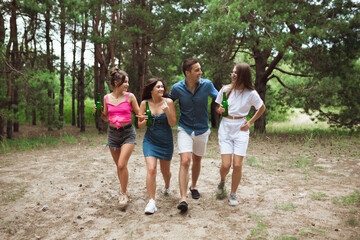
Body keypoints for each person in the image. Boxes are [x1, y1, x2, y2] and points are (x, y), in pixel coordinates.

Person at [169, 58, 218, 212]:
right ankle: (183, 198)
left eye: (200, 69)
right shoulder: (177, 88)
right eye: (197, 70)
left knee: (197, 159)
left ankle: (193, 186)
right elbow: (168, 102)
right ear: (187, 73)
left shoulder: (207, 85)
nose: (200, 72)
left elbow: (220, 98)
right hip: (185, 128)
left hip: (202, 129)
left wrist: (224, 107)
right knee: (185, 160)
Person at [215, 62, 266, 206]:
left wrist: (250, 122)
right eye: (231, 73)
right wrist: (220, 110)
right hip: (225, 127)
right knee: (226, 165)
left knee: (237, 165)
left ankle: (233, 193)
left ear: (243, 76)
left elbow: (261, 108)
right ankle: (222, 181)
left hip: (241, 129)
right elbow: (219, 107)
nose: (232, 76)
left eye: (235, 74)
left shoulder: (251, 93)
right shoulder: (225, 89)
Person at [95, 67, 141, 208]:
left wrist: (148, 117)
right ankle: (124, 190)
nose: (127, 85)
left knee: (121, 164)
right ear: (116, 83)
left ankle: (123, 193)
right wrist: (99, 113)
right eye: (124, 82)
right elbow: (106, 118)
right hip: (113, 134)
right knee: (120, 166)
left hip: (128, 132)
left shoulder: (130, 97)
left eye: (127, 82)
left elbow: (139, 114)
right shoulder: (106, 98)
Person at [138, 78, 177, 215]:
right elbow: (140, 125)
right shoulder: (144, 104)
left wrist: (167, 111)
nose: (161, 89)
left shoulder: (169, 102)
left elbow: (173, 124)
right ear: (151, 90)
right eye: (158, 87)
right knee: (152, 169)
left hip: (166, 141)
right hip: (150, 140)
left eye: (162, 86)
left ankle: (167, 186)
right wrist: (145, 120)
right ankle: (151, 202)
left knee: (165, 171)